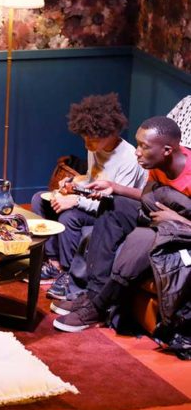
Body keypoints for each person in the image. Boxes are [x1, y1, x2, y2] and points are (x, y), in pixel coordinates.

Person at [52, 116, 191, 333]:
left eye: (144, 147)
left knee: (143, 237)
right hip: (162, 217)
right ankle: (93, 294)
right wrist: (114, 187)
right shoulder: (159, 162)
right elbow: (146, 196)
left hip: (182, 231)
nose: (137, 152)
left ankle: (99, 307)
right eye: (138, 144)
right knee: (113, 204)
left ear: (166, 150)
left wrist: (177, 219)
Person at [32, 93, 147, 299]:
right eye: (84, 138)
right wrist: (73, 185)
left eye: (92, 140)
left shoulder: (129, 159)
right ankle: (54, 263)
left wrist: (76, 200)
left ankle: (69, 273)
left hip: (112, 213)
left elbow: (116, 204)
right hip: (94, 201)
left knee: (70, 217)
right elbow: (92, 180)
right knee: (40, 199)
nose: (87, 144)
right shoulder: (95, 148)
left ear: (111, 132)